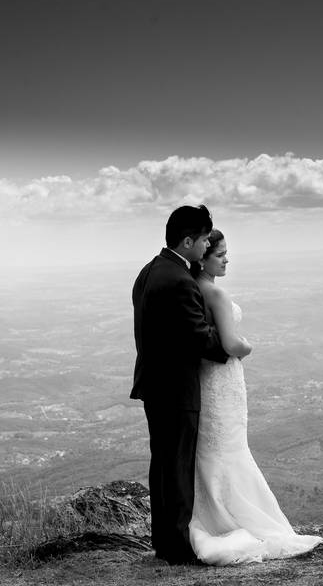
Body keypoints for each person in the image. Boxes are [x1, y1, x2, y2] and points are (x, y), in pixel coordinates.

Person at [189, 229, 323, 565]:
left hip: (205, 380)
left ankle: (212, 514)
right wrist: (248, 346)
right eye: (220, 254)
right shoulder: (215, 295)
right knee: (230, 447)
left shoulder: (192, 290)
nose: (226, 259)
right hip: (223, 378)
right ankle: (241, 518)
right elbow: (231, 344)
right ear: (203, 257)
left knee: (212, 448)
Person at [131, 205, 229, 565]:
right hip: (174, 388)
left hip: (155, 385)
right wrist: (231, 342)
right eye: (204, 239)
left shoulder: (151, 271)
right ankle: (176, 548)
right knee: (177, 467)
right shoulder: (178, 281)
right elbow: (199, 339)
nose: (206, 245)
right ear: (188, 240)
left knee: (164, 465)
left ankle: (165, 542)